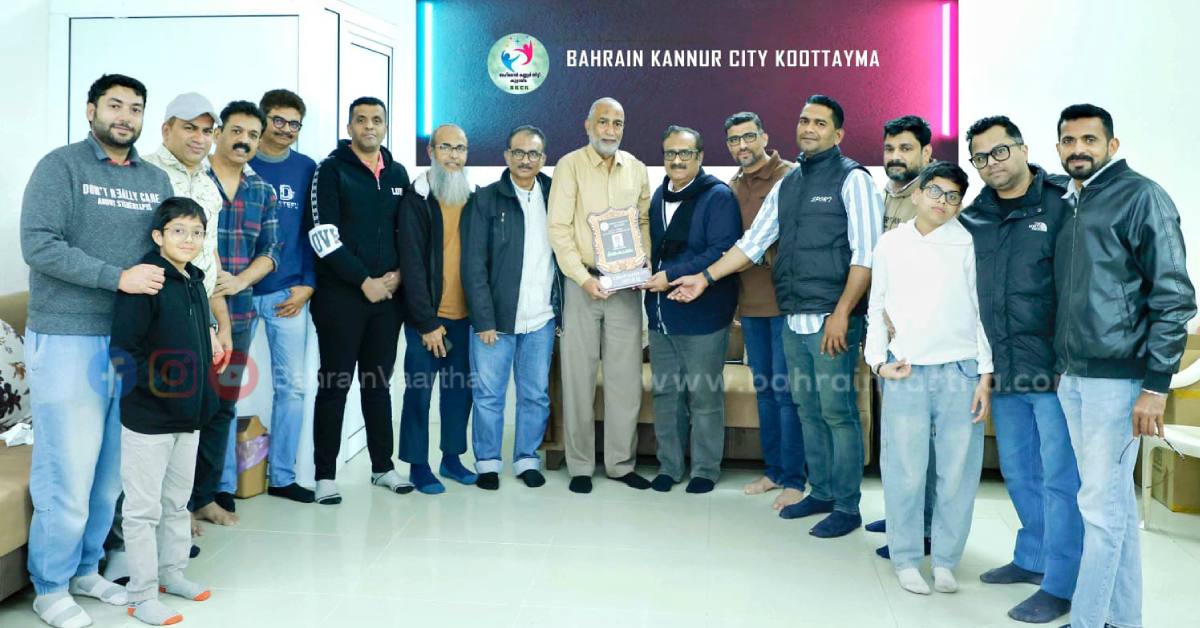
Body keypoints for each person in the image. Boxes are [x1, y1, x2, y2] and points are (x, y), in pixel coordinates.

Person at [670, 95, 883, 538]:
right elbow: (752, 243)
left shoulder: (854, 178)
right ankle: (821, 492)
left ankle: (847, 506)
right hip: (793, 316)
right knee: (807, 409)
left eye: (820, 122)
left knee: (837, 412)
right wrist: (704, 278)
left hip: (832, 319)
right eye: (804, 120)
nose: (809, 128)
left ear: (838, 133)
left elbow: (866, 254)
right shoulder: (790, 183)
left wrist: (843, 313)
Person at [20, 73, 173, 628]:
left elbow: (166, 252)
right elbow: (39, 245)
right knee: (67, 469)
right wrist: (118, 278)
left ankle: (87, 569)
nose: (125, 117)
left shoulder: (155, 179)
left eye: (135, 108)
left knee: (111, 472)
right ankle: (50, 586)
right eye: (114, 105)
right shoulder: (60, 167)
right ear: (91, 110)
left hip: (130, 341)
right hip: (68, 335)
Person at [1052, 104, 1195, 628]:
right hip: (1074, 376)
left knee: (1100, 507)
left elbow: (1174, 297)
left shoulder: (1142, 196)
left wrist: (1155, 387)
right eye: (1069, 141)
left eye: (1089, 139)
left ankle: (1088, 621)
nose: (1078, 149)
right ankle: (1123, 619)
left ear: (1112, 145)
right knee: (1112, 506)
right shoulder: (1071, 201)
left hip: (1117, 381)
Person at [960, 115, 1081, 624]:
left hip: (1054, 371)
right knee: (1019, 471)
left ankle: (1062, 584)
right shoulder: (975, 217)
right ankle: (1032, 558)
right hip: (1004, 372)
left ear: (1024, 148)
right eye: (980, 157)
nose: (992, 163)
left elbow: (1079, 285)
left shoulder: (1062, 202)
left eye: (1000, 151)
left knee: (1061, 481)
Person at [865, 161, 992, 596]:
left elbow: (982, 311)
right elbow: (877, 306)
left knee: (957, 474)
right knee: (904, 471)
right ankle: (905, 558)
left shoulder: (968, 242)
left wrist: (985, 374)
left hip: (961, 370)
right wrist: (877, 362)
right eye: (935, 191)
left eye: (953, 196)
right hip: (906, 370)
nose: (943, 202)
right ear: (917, 193)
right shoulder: (891, 244)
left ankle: (945, 561)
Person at [111, 198, 218, 625]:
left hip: (188, 416)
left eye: (196, 232)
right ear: (158, 236)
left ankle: (171, 574)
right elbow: (123, 353)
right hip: (149, 417)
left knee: (176, 503)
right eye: (178, 231)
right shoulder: (146, 281)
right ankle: (140, 595)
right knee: (142, 510)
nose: (189, 239)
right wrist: (162, 392)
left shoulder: (194, 280)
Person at [547, 97, 653, 494]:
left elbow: (644, 223)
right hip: (583, 286)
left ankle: (621, 465)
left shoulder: (637, 168)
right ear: (588, 125)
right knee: (578, 377)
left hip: (625, 288)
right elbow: (558, 229)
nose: (610, 130)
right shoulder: (569, 165)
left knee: (625, 380)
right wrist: (581, 277)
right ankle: (579, 466)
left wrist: (642, 266)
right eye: (603, 122)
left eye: (617, 123)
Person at [307, 96, 409, 505]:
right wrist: (363, 281)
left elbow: (407, 232)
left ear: (385, 126)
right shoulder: (330, 170)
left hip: (388, 299)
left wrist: (399, 275)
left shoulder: (397, 172)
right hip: (341, 298)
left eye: (376, 120)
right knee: (335, 385)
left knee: (378, 385)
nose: (369, 126)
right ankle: (324, 476)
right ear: (349, 126)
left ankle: (382, 467)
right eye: (361, 120)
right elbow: (322, 236)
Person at [192, 101, 280, 527]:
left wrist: (241, 281)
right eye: (237, 131)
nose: (244, 140)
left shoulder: (262, 191)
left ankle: (205, 498)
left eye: (253, 135)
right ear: (219, 132)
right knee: (183, 406)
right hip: (189, 312)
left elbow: (271, 251)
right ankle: (175, 508)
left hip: (239, 316)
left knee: (223, 405)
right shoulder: (193, 179)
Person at [643, 125, 741, 494]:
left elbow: (721, 250)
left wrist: (670, 275)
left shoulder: (718, 196)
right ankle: (669, 466)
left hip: (704, 316)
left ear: (699, 157)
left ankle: (704, 469)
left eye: (685, 153)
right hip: (662, 315)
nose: (677, 160)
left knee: (703, 395)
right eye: (670, 153)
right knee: (666, 394)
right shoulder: (658, 195)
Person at [461, 125, 559, 490]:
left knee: (535, 394)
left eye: (533, 154)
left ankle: (526, 458)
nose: (525, 160)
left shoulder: (556, 194)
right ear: (506, 156)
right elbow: (473, 264)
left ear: (543, 159)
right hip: (496, 321)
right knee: (489, 395)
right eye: (518, 152)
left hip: (541, 319)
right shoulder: (486, 199)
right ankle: (487, 462)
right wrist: (483, 319)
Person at [723, 111, 805, 510]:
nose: (742, 145)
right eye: (734, 140)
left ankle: (795, 478)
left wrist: (760, 255)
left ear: (764, 137)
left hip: (786, 304)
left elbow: (798, 238)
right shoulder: (732, 185)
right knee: (766, 392)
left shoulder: (791, 177)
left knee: (788, 394)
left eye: (748, 137)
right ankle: (773, 471)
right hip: (750, 305)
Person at [241, 88, 319, 503]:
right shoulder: (239, 161)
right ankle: (221, 485)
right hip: (236, 293)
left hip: (288, 294)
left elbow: (314, 231)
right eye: (278, 120)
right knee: (226, 388)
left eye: (294, 124)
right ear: (263, 120)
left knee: (292, 389)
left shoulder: (307, 169)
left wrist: (308, 283)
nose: (286, 129)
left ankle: (283, 477)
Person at [398, 123, 479, 494]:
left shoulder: (473, 198)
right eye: (446, 147)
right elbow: (412, 264)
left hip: (465, 317)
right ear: (430, 151)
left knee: (459, 392)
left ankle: (451, 459)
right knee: (419, 392)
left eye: (460, 148)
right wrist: (427, 322)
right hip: (427, 319)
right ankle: (418, 465)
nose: (453, 155)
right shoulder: (416, 199)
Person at [869, 115, 935, 560]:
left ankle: (923, 529)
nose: (896, 156)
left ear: (926, 153)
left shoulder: (932, 199)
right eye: (890, 148)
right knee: (896, 440)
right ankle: (901, 516)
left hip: (922, 342)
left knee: (920, 444)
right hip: (890, 338)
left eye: (906, 148)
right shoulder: (888, 196)